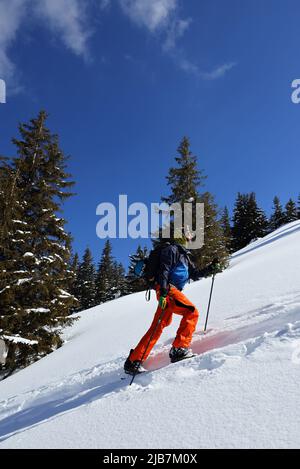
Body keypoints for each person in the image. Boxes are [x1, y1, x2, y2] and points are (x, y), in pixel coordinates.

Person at [124, 235, 221, 375]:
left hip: (168, 290)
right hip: (168, 289)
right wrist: (163, 292)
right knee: (191, 312)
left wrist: (211, 268)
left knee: (158, 326)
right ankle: (179, 349)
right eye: (186, 238)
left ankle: (133, 361)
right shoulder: (171, 249)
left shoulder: (185, 256)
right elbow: (164, 269)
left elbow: (195, 275)